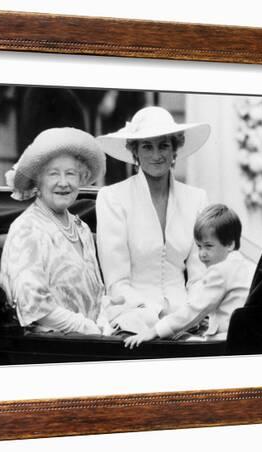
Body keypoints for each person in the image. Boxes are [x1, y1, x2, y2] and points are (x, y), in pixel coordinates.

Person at [95, 106, 211, 334]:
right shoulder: (112, 197)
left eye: (164, 145)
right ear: (135, 152)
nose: (156, 155)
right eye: (147, 146)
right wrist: (152, 317)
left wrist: (190, 314)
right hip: (131, 315)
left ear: (175, 149)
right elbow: (117, 282)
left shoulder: (197, 199)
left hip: (186, 317)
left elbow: (200, 276)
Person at [1, 127, 111, 335]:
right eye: (53, 174)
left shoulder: (82, 228)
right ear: (38, 182)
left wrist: (104, 323)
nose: (63, 183)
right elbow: (33, 305)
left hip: (93, 342)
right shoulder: (26, 229)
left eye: (71, 173)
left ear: (81, 178)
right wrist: (86, 328)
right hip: (51, 346)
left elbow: (98, 292)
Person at [124, 204, 255, 348]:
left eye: (208, 246)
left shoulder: (220, 271)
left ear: (230, 244)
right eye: (199, 246)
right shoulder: (244, 264)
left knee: (175, 342)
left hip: (225, 342)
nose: (202, 254)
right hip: (245, 338)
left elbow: (195, 310)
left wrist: (155, 330)